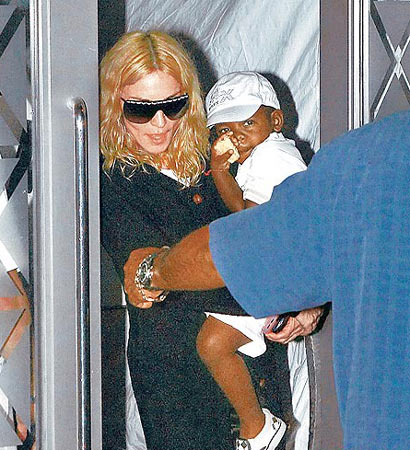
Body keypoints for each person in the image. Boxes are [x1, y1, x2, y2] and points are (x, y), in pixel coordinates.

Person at [123, 110, 410, 450]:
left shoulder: (376, 156)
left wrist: (152, 271)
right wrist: (308, 296)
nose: (159, 120)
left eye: (173, 105)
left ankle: (256, 428)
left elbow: (250, 247)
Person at [100, 30, 316, 449]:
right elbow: (160, 277)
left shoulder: (225, 151)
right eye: (141, 109)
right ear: (114, 104)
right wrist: (283, 293)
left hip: (259, 377)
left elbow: (296, 225)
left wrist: (308, 303)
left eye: (172, 105)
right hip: (181, 388)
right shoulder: (110, 180)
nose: (160, 123)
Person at [195, 71, 324, 449]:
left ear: (276, 120)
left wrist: (220, 172)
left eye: (247, 123)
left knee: (213, 344)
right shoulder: (264, 155)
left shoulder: (272, 158)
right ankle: (256, 427)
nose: (237, 135)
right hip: (279, 268)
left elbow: (248, 221)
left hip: (280, 272)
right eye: (225, 129)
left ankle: (257, 428)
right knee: (213, 342)